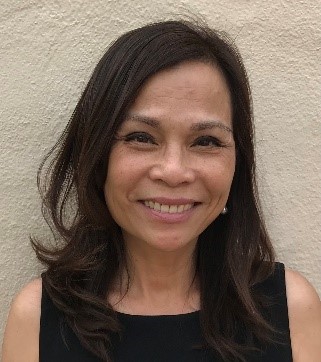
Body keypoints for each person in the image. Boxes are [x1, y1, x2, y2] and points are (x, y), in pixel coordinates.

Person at [2, 19, 321, 362]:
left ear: (236, 166)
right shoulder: (37, 319)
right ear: (96, 156)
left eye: (206, 141)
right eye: (141, 137)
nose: (173, 171)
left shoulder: (292, 309)